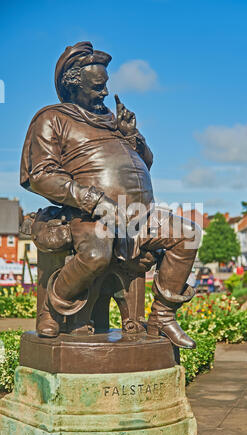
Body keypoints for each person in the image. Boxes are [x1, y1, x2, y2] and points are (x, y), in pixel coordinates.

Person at [20, 41, 201, 348]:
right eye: (97, 87)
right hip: (89, 214)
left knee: (188, 235)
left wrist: (132, 135)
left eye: (105, 86)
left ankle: (162, 316)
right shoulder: (52, 118)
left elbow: (147, 163)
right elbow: (39, 175)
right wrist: (93, 201)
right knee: (95, 255)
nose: (105, 93)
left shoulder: (114, 122)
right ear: (73, 85)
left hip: (137, 216)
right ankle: (54, 306)